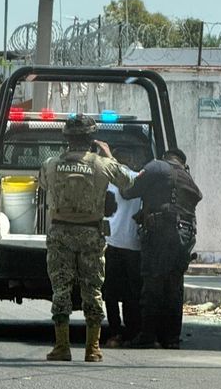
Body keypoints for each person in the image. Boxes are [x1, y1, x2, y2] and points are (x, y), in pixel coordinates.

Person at [39, 114, 135, 362]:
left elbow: (43, 184)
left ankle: (62, 347)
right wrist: (109, 155)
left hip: (60, 233)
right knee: (93, 290)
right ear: (91, 138)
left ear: (67, 138)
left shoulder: (51, 164)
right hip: (92, 233)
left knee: (61, 289)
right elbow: (128, 181)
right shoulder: (103, 164)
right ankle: (93, 349)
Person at [122, 148, 202, 349]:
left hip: (161, 232)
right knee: (174, 286)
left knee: (153, 283)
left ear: (166, 157)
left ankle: (148, 335)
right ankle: (171, 338)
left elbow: (130, 190)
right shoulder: (187, 177)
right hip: (185, 235)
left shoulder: (157, 166)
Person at [102, 147, 145, 348]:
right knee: (131, 293)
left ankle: (115, 332)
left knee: (110, 292)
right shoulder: (141, 178)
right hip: (134, 245)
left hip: (114, 243)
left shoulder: (112, 181)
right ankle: (131, 331)